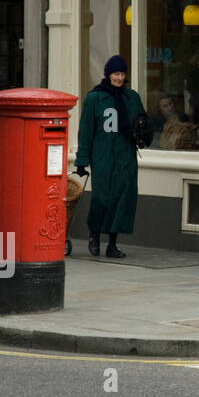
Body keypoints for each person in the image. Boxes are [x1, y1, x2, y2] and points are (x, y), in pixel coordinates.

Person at [74, 55, 147, 259]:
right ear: (108, 74)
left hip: (126, 156)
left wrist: (144, 130)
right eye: (116, 73)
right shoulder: (94, 99)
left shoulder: (132, 98)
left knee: (123, 198)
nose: (119, 78)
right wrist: (82, 160)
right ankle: (95, 236)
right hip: (103, 156)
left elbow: (143, 122)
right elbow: (86, 131)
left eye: (123, 74)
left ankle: (113, 244)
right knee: (102, 198)